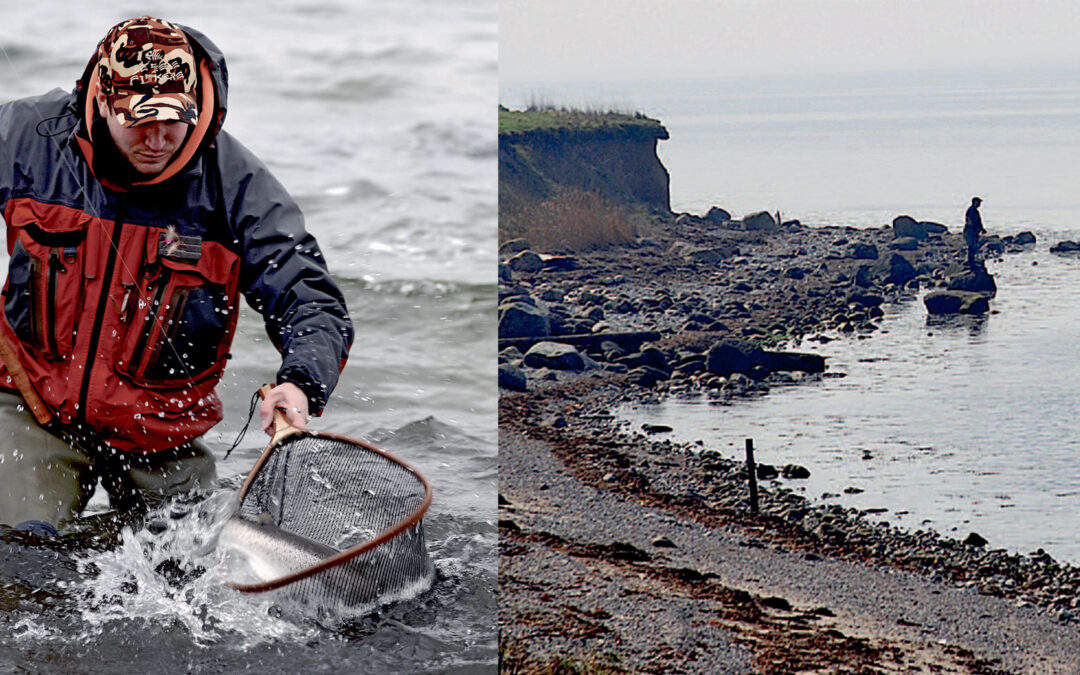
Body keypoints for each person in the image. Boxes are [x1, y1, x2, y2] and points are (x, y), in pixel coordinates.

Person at [0, 16, 354, 535]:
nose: (159, 138)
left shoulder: (237, 186)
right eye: (139, 119)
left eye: (174, 118)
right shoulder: (24, 137)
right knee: (17, 561)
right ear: (101, 100)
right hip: (33, 407)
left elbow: (311, 299)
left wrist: (299, 385)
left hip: (162, 434)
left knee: (197, 583)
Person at [964, 196, 985, 269]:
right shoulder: (971, 210)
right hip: (971, 230)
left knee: (974, 246)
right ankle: (970, 261)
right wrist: (975, 229)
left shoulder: (975, 211)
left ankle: (972, 261)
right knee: (972, 246)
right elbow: (970, 221)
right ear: (975, 202)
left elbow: (979, 221)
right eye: (979, 202)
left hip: (974, 230)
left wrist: (981, 229)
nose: (980, 204)